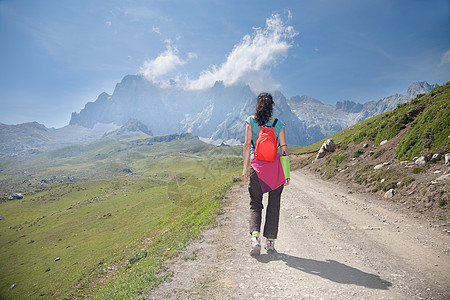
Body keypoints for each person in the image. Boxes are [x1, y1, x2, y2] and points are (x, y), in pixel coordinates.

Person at [242, 92, 290, 255]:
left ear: (257, 106)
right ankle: (270, 243)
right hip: (275, 170)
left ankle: (255, 239)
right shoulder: (279, 124)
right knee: (274, 204)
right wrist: (287, 172)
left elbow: (248, 144)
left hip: (257, 169)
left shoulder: (250, 121)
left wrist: (245, 168)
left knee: (255, 203)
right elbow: (283, 149)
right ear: (271, 107)